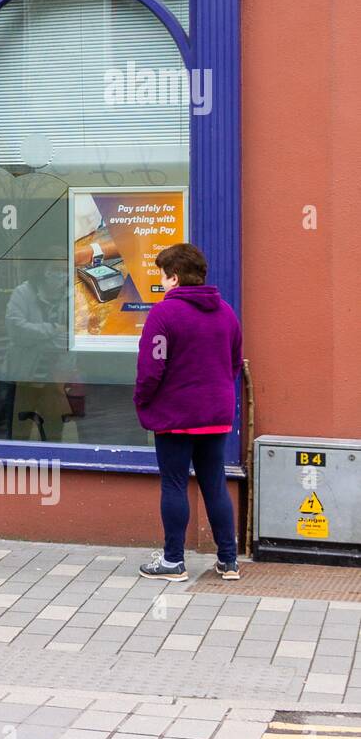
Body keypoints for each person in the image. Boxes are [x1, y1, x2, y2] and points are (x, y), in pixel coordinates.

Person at [134, 243, 243, 582]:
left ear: (175, 277)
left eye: (163, 276)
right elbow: (234, 361)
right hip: (216, 414)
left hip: (176, 416)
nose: (162, 282)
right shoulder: (226, 312)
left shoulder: (164, 314)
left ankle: (173, 561)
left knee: (175, 484)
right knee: (215, 484)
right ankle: (228, 561)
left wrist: (143, 401)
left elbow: (152, 368)